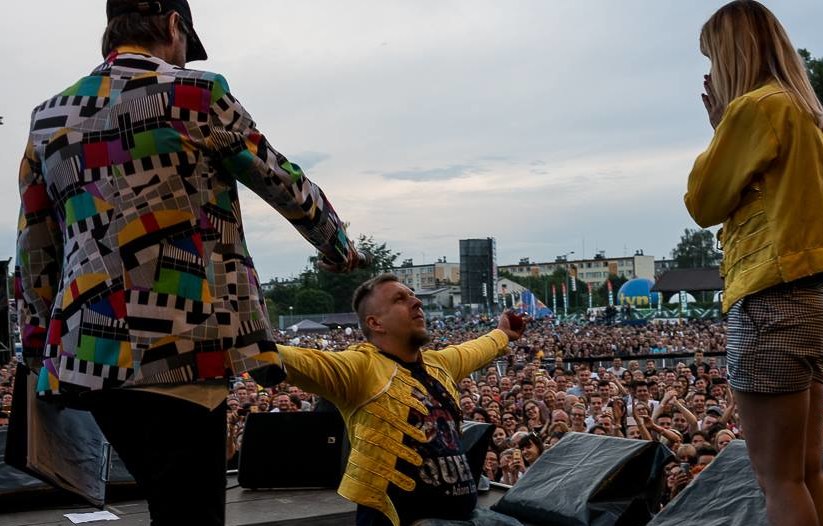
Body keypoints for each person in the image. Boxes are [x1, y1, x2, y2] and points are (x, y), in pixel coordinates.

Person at [14, 1, 359, 523]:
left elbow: (34, 249)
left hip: (89, 353)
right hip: (184, 345)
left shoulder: (48, 118)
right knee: (191, 513)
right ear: (174, 26)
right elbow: (278, 177)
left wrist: (38, 348)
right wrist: (335, 244)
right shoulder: (195, 93)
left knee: (167, 503)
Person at [684, 2, 823, 526]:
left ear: (735, 53)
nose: (709, 73)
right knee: (809, 470)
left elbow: (703, 203)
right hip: (813, 302)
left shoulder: (754, 108)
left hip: (770, 303)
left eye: (712, 56)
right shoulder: (806, 111)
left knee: (777, 480)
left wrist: (719, 129)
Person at [275, 275, 526, 526]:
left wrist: (502, 333)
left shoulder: (438, 364)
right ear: (375, 323)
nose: (416, 302)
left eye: (413, 294)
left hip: (462, 518)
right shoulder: (361, 368)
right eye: (400, 299)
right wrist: (251, 345)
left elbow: (477, 348)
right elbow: (285, 358)